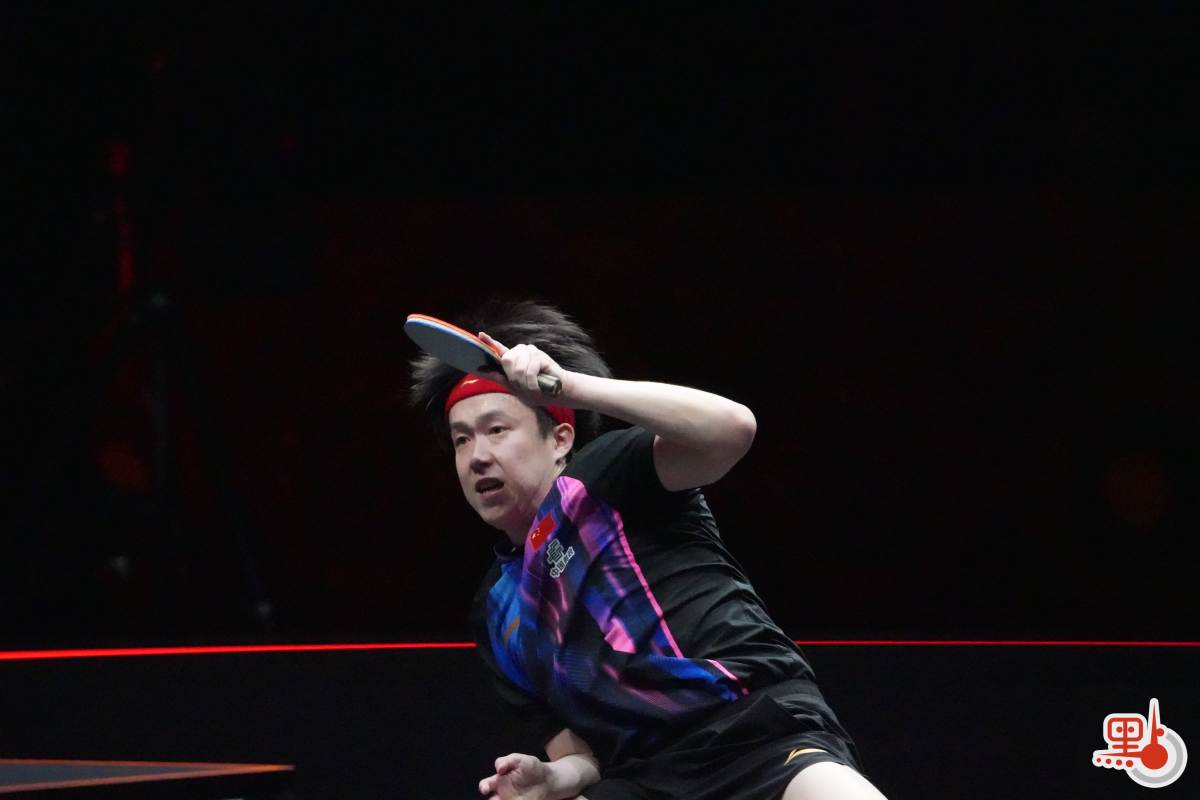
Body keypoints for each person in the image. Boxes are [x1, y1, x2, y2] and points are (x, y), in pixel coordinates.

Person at [408, 300, 886, 800]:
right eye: (461, 440)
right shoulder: (496, 610)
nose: (478, 456)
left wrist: (566, 386)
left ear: (561, 438)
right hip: (646, 779)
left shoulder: (609, 476)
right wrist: (553, 778)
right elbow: (582, 758)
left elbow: (733, 428)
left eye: (497, 430)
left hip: (758, 734)